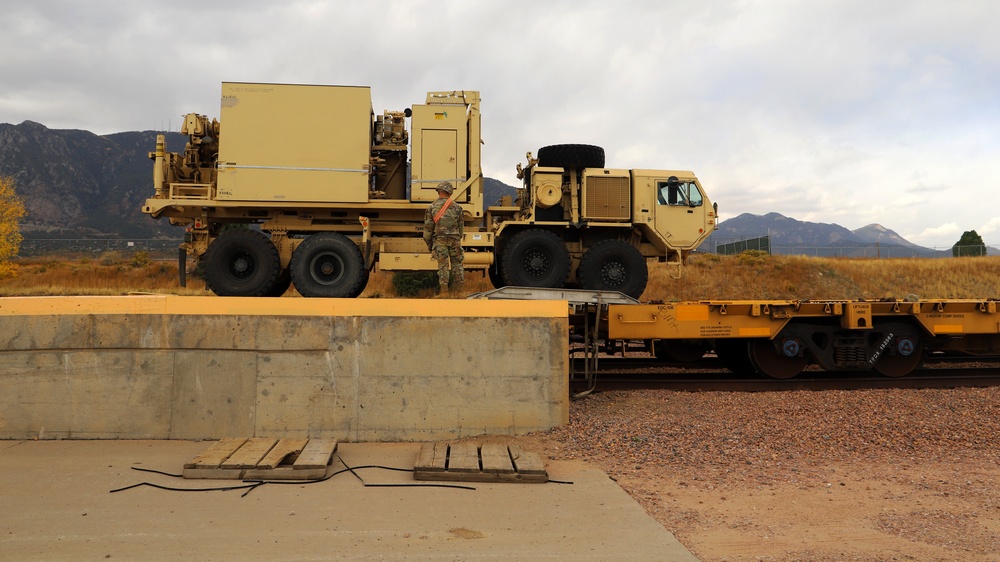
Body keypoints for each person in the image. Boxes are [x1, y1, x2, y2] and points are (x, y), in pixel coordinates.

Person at [423, 181, 464, 295]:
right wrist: (457, 237)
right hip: (454, 239)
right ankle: (459, 292)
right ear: (449, 192)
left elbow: (427, 230)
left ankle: (444, 292)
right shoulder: (457, 207)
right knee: (457, 264)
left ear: (439, 191)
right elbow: (461, 227)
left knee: (443, 266)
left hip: (440, 240)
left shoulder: (431, 207)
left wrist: (430, 245)